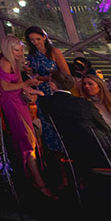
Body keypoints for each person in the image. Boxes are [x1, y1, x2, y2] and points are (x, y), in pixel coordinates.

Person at [0, 35, 52, 197]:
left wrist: (34, 90)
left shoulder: (12, 61)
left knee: (30, 139)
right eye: (17, 50)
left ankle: (36, 179)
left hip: (19, 101)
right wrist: (27, 84)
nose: (21, 53)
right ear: (9, 49)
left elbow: (19, 86)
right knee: (26, 140)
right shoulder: (5, 62)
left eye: (21, 50)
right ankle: (37, 182)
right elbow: (6, 86)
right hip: (12, 103)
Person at [41, 71, 109, 171]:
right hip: (97, 146)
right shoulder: (84, 103)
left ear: (53, 85)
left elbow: (48, 120)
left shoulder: (47, 103)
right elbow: (104, 126)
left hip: (72, 148)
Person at [25, 25, 70, 155]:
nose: (35, 42)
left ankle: (66, 153)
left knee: (59, 121)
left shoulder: (54, 52)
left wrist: (43, 78)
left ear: (44, 37)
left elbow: (66, 74)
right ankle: (55, 154)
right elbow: (32, 75)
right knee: (47, 123)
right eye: (32, 40)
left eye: (38, 39)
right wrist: (30, 72)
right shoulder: (32, 55)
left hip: (55, 90)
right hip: (41, 92)